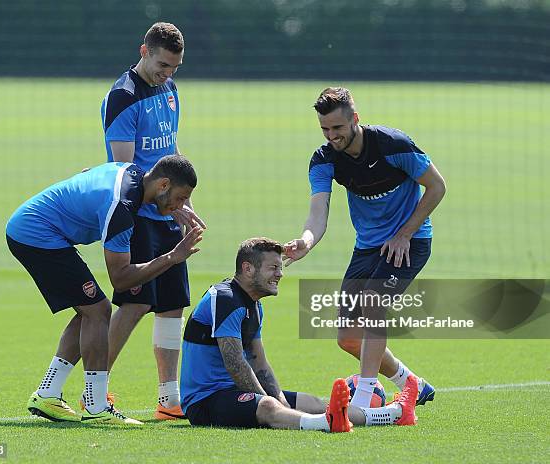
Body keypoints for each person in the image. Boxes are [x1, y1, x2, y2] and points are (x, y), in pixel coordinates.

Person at [283, 87, 446, 414]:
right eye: (325, 129)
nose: (332, 136)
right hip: (369, 247)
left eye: (338, 128)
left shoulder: (393, 145)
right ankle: (409, 382)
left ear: (355, 119)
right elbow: (318, 213)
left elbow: (437, 186)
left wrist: (405, 233)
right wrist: (306, 241)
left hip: (409, 243)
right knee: (347, 337)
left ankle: (364, 398)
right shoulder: (324, 159)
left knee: (373, 303)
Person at [6, 156, 202, 425]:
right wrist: (172, 257)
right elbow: (121, 280)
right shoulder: (121, 207)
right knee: (98, 310)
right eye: (180, 198)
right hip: (35, 234)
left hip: (37, 229)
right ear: (163, 184)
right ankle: (96, 406)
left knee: (89, 309)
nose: (181, 207)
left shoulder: (133, 174)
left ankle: (48, 392)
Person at [179, 238, 419, 431]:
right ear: (248, 268)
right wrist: (273, 402)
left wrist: (281, 398)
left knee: (315, 403)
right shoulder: (225, 299)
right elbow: (236, 364)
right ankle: (325, 424)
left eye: (280, 268)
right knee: (268, 408)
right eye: (273, 267)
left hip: (234, 390)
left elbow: (259, 363)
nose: (280, 274)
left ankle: (395, 413)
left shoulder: (254, 306)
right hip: (206, 401)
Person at [100, 21, 204, 420]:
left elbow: (171, 151)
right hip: (139, 212)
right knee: (134, 302)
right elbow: (124, 169)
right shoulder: (123, 97)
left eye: (174, 68)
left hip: (165, 210)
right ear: (144, 51)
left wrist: (182, 204)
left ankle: (169, 398)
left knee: (173, 305)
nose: (168, 74)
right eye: (162, 65)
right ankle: (96, 387)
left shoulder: (170, 89)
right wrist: (164, 204)